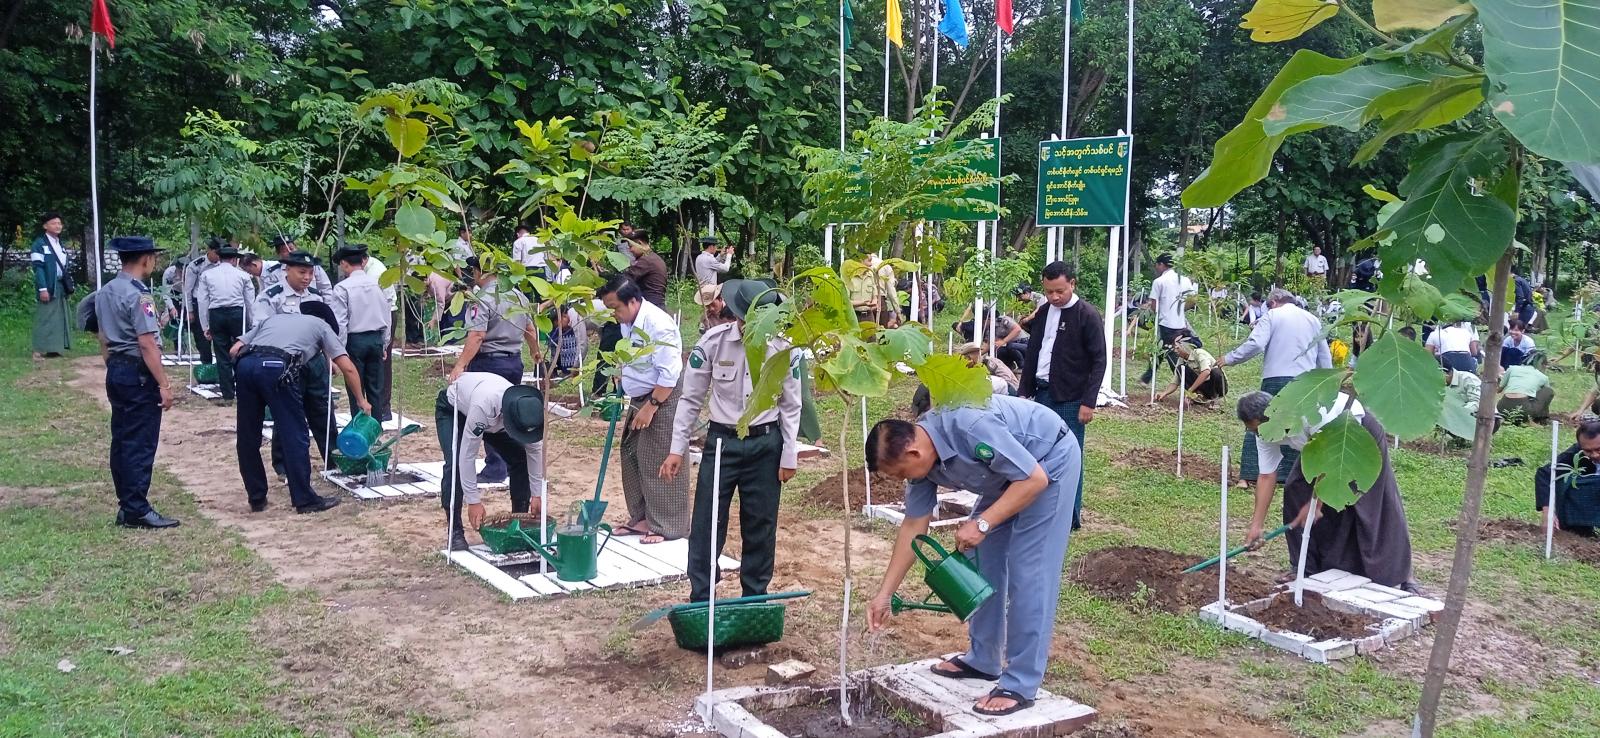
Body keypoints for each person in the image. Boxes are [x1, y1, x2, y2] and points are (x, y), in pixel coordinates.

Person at [865, 396, 1081, 717]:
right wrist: (885, 594)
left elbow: (1033, 479)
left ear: (913, 452)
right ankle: (983, 659)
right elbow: (913, 526)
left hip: (1049, 461)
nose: (904, 480)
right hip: (1009, 475)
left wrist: (983, 522)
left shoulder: (970, 427)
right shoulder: (922, 462)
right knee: (980, 556)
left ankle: (1020, 683)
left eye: (900, 474)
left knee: (1029, 569)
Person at [661, 279, 802, 601]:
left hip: (765, 444)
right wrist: (676, 449)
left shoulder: (784, 349)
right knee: (707, 522)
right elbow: (690, 399)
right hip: (722, 443)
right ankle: (702, 596)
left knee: (760, 524)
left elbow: (791, 405)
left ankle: (754, 597)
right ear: (737, 314)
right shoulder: (714, 342)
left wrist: (789, 454)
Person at [1235, 391, 1416, 590]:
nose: (1258, 435)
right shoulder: (1263, 432)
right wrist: (1256, 526)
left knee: (1369, 501)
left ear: (1273, 417)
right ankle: (1305, 567)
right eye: (1253, 431)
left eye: (1258, 429)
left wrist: (1315, 505)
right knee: (1296, 490)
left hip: (1356, 432)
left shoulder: (1312, 412)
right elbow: (1267, 476)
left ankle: (1403, 576)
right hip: (1318, 446)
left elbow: (1330, 463)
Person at [229, 303, 368, 514]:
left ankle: (256, 497)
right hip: (276, 367)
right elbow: (347, 367)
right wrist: (361, 401)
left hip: (245, 364)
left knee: (248, 435)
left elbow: (234, 349)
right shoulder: (322, 327)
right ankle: (305, 500)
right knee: (294, 433)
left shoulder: (274, 319)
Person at [95, 236, 180, 529]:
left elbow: (103, 337)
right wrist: (164, 384)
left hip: (117, 369)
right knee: (139, 442)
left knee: (121, 439)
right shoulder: (140, 295)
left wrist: (112, 365)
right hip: (138, 374)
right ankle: (136, 508)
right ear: (146, 259)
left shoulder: (105, 291)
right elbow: (147, 343)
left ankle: (127, 504)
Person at [1018, 261, 1105, 530]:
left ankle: (1070, 517)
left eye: (1060, 291)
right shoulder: (1044, 311)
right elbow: (1033, 352)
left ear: (1072, 284)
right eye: (1049, 292)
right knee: (1040, 453)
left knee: (1070, 455)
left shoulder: (1087, 315)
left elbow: (1099, 360)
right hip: (1043, 392)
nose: (1054, 297)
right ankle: (1044, 510)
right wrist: (1024, 391)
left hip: (1071, 397)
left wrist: (1088, 402)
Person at [601, 275, 687, 544]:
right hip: (640, 397)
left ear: (633, 302)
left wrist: (652, 406)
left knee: (658, 456)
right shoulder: (628, 322)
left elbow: (669, 374)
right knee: (631, 453)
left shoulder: (658, 325)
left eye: (615, 308)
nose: (613, 314)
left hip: (663, 395)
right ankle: (642, 517)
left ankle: (667, 525)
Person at [1219, 288, 1333, 484]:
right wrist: (1327, 382)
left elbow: (1256, 343)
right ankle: (1293, 476)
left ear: (1274, 302)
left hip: (1276, 378)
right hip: (1305, 382)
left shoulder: (1272, 315)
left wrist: (1229, 358)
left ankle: (1250, 475)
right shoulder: (1313, 319)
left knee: (1258, 424)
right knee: (1297, 426)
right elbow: (1324, 355)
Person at [448, 256, 538, 484]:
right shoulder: (518, 295)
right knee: (507, 413)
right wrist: (535, 351)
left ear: (480, 272)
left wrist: (460, 365)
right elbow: (530, 329)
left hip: (489, 363)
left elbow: (477, 335)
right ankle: (512, 462)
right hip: (513, 362)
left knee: (489, 415)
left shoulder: (482, 298)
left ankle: (496, 467)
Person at [435, 372, 545, 550]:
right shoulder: (484, 405)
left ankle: (519, 524)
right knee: (455, 464)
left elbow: (534, 450)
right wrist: (473, 501)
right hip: (454, 410)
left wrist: (537, 494)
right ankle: (455, 531)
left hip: (493, 420)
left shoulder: (528, 412)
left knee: (521, 459)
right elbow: (467, 456)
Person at [256, 251, 334, 473]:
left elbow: (324, 331)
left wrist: (331, 358)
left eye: (310, 273)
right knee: (287, 413)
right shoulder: (271, 297)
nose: (307, 278)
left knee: (323, 409)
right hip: (286, 364)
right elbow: (261, 332)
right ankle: (283, 465)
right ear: (287, 270)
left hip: (315, 362)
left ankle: (332, 458)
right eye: (302, 272)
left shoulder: (316, 297)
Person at [329, 244, 392, 419]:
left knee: (355, 388)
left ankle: (359, 428)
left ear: (344, 264)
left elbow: (341, 323)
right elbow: (387, 315)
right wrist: (384, 343)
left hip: (354, 341)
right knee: (376, 388)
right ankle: (375, 428)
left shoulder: (342, 288)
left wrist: (339, 351)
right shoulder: (378, 285)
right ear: (362, 262)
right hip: (375, 339)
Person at [197, 245, 256, 402]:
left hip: (216, 314)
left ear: (219, 258)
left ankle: (228, 395)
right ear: (234, 259)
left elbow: (202, 301)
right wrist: (251, 323)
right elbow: (250, 301)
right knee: (241, 352)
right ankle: (243, 390)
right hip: (237, 314)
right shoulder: (243, 276)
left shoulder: (207, 275)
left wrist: (205, 325)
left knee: (221, 354)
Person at [1534, 420, 1600, 538]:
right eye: (1588, 451)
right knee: (1567, 483)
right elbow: (1545, 473)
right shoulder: (1577, 453)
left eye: (1599, 449)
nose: (1594, 455)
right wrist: (1548, 512)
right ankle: (1579, 530)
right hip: (1588, 500)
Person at [1136, 253, 1193, 383]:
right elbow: (1192, 300)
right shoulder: (1185, 280)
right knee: (1160, 349)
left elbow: (1154, 305)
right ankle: (1147, 377)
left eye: (1157, 265)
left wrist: (1158, 311)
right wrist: (1180, 310)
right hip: (1180, 323)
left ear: (1161, 264)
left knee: (1171, 353)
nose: (1156, 267)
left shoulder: (1159, 281)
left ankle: (1186, 383)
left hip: (1165, 323)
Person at [31, 212, 74, 358]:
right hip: (49, 284)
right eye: (54, 223)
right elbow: (38, 268)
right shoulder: (39, 244)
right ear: (45, 226)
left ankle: (54, 348)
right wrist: (43, 288)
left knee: (59, 316)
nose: (58, 226)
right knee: (45, 315)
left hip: (60, 284)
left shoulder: (59, 244)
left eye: (59, 223)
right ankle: (38, 349)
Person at [182, 239, 224, 365]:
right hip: (199, 304)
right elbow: (188, 290)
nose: (218, 256)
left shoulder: (223, 264)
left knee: (220, 337)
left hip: (217, 303)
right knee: (202, 338)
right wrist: (189, 311)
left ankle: (221, 366)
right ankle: (206, 365)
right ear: (209, 250)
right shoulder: (196, 265)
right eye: (216, 253)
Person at [1155, 334, 1227, 404]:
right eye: (1174, 348)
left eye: (1177, 348)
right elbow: (1175, 381)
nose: (1175, 351)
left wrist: (1190, 390)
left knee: (1216, 371)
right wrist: (1165, 393)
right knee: (1180, 369)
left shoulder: (1199, 353)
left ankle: (1215, 399)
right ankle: (1198, 396)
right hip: (1204, 386)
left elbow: (1206, 372)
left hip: (1215, 385)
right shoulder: (1181, 360)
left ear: (1185, 347)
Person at [261, 235, 332, 294]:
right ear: (279, 253)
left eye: (291, 248)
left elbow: (325, 288)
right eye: (285, 250)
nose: (290, 252)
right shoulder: (274, 273)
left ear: (296, 247)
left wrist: (326, 306)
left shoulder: (313, 266)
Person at [848, 254, 899, 326]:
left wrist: (874, 302)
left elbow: (875, 295)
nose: (871, 264)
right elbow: (891, 291)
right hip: (855, 314)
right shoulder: (849, 278)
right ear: (861, 261)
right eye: (869, 261)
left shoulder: (871, 275)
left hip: (871, 311)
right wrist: (897, 310)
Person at [622, 233, 670, 307]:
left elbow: (626, 279)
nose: (630, 250)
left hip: (651, 306)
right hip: (656, 304)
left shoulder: (646, 260)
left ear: (639, 243)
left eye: (631, 246)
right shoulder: (653, 257)